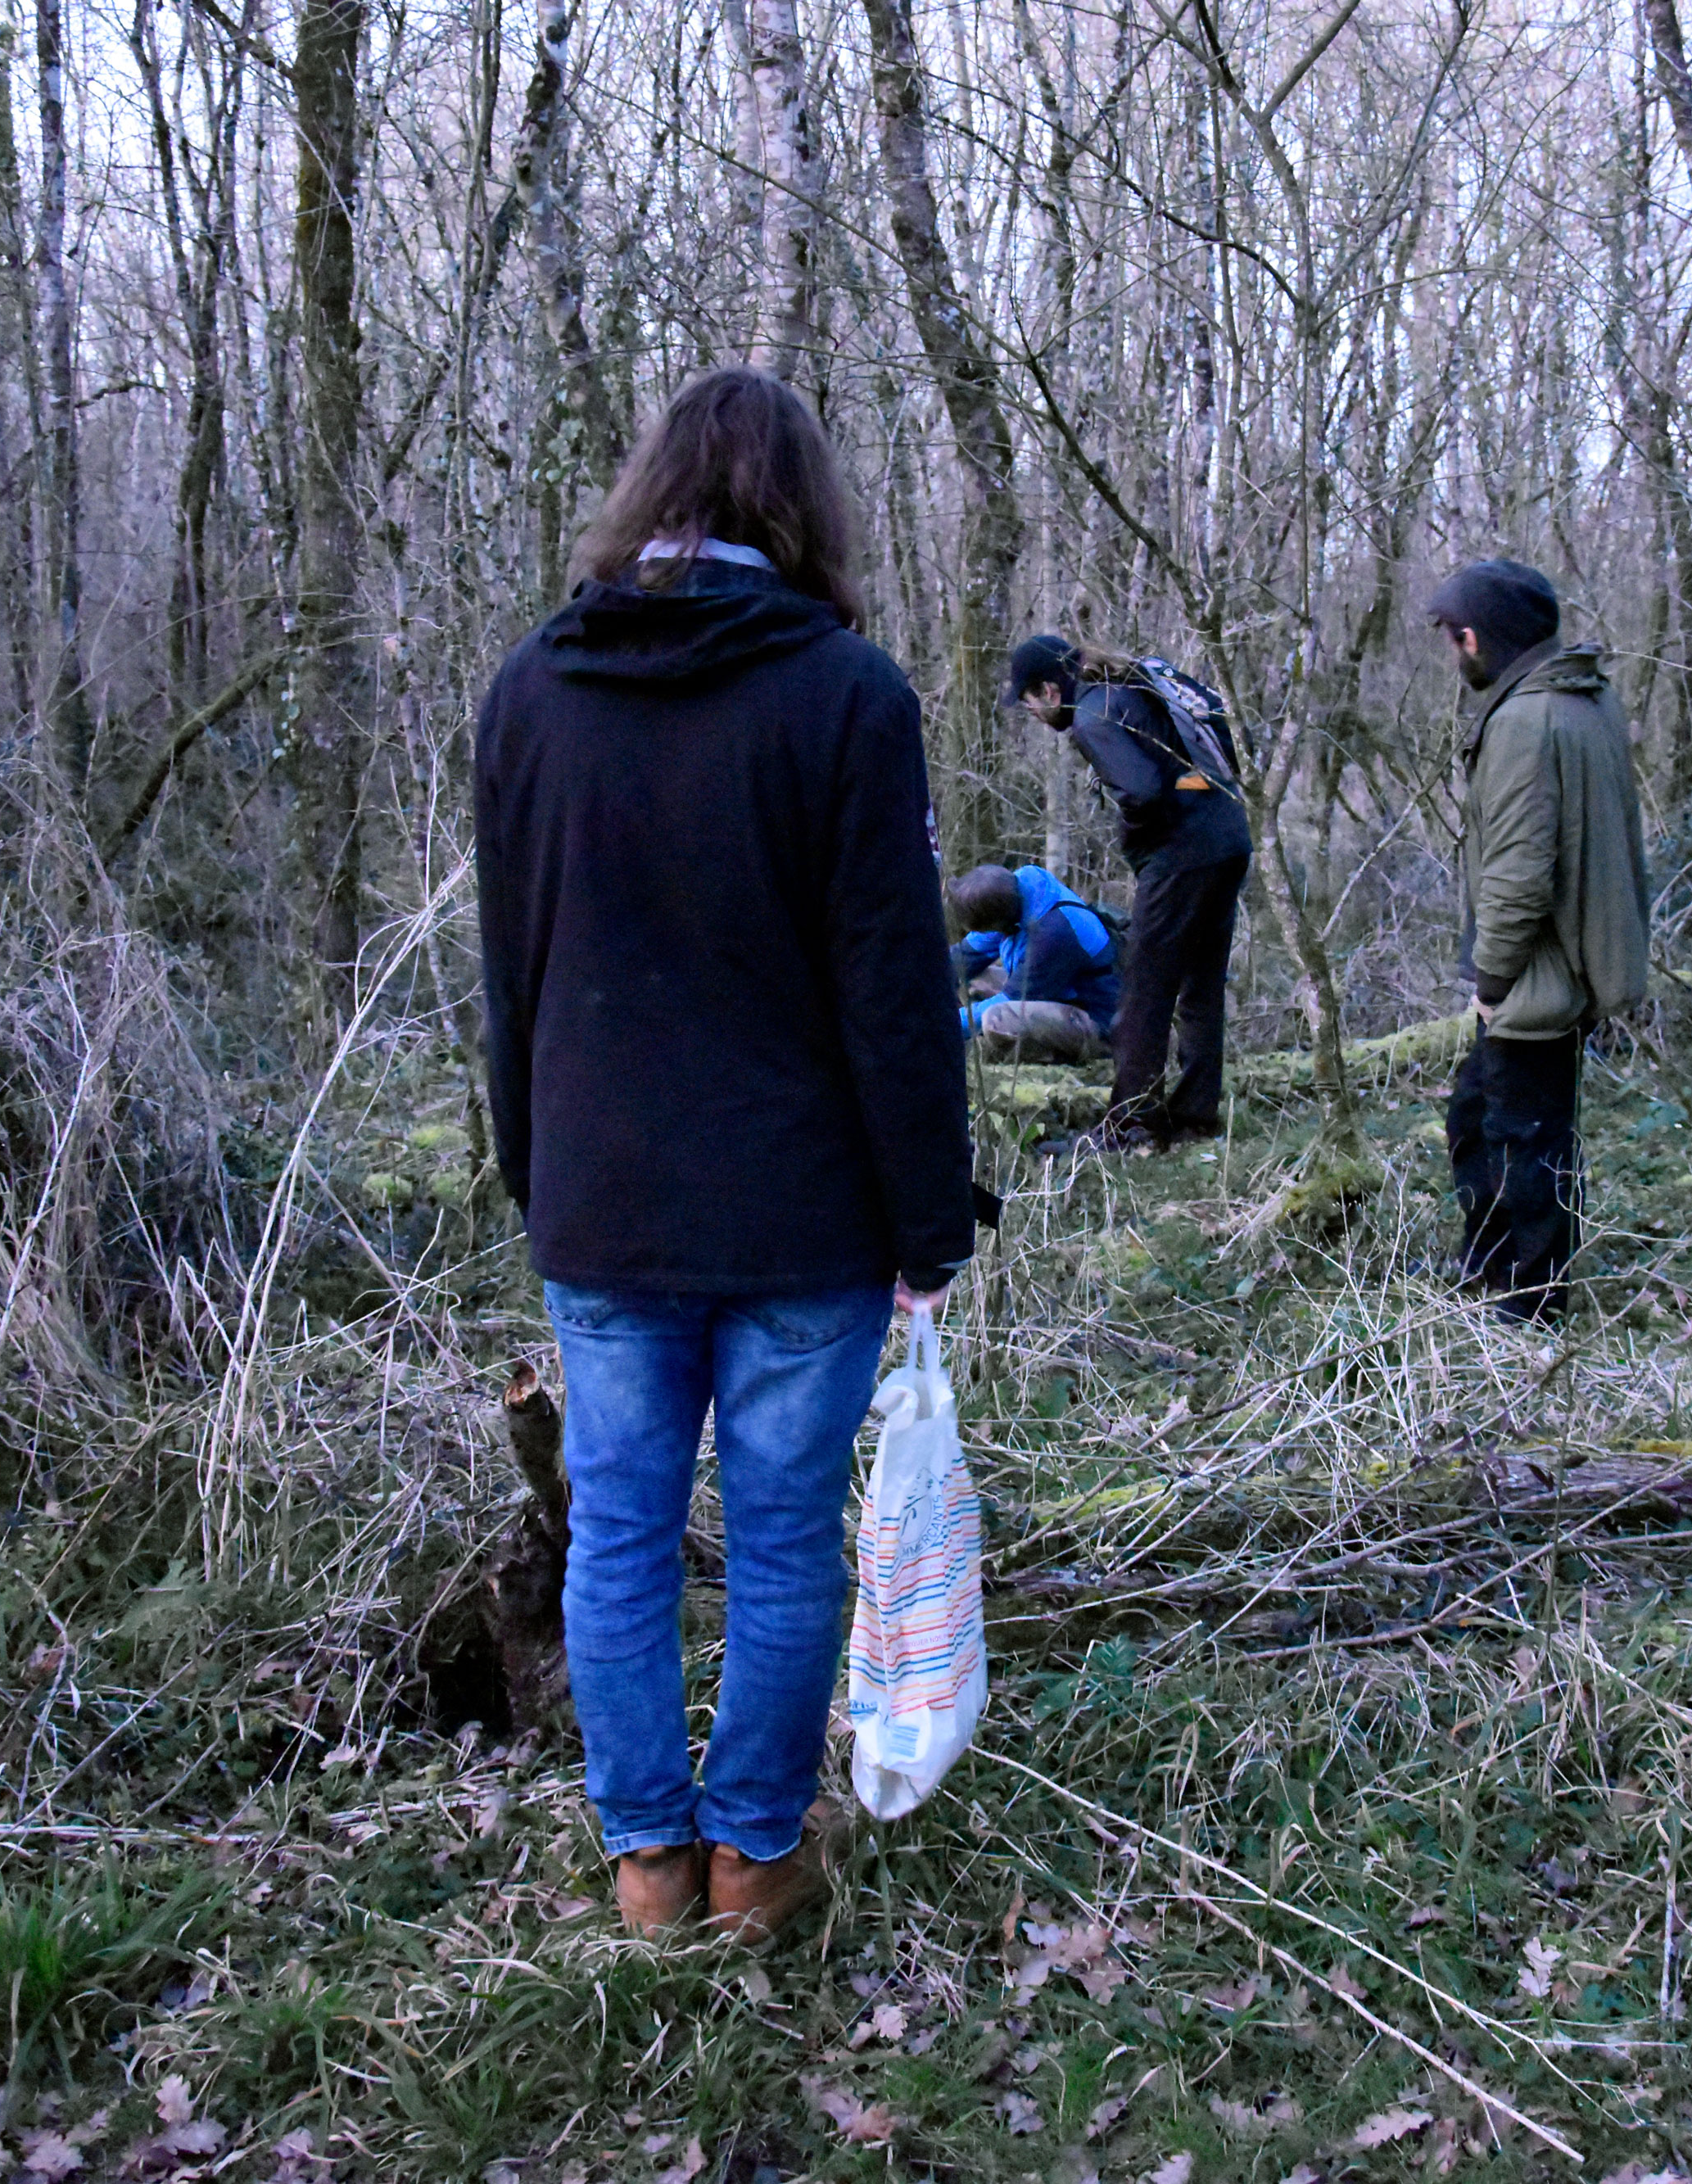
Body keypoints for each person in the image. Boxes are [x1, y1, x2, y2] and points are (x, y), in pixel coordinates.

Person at [473, 367, 974, 1944]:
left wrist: (536, 1172)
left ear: (651, 495)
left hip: (606, 1197)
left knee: (620, 1534)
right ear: (803, 509)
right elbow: (897, 995)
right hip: (802, 1213)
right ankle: (752, 1856)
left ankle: (650, 1868)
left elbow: (510, 975)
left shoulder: (532, 690)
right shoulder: (848, 695)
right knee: (778, 1539)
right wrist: (928, 1219)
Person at [1427, 558, 1649, 1319]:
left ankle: (1531, 1302)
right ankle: (1488, 1268)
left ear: (1475, 638)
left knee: (1528, 1136)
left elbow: (1520, 874)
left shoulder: (1528, 720)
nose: (1453, 656)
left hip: (1540, 971)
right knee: (1477, 1117)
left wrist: (1491, 981)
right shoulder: (1584, 695)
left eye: (1454, 640)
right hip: (1570, 956)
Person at [1007, 635, 1252, 1150]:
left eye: (1027, 700)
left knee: (1143, 989)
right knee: (1201, 984)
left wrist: (1140, 836)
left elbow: (1142, 790)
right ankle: (1195, 1119)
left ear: (1049, 690)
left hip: (1182, 854)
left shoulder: (1092, 717)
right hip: (1228, 836)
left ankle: (1132, 1125)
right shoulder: (1129, 687)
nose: (1030, 712)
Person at [949, 861, 1118, 1064]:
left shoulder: (1055, 933)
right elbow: (962, 958)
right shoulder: (1011, 896)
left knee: (997, 1020)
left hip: (1097, 1023)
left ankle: (1067, 1060)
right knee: (974, 978)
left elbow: (1012, 999)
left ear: (997, 922)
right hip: (1054, 995)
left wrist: (941, 1025)